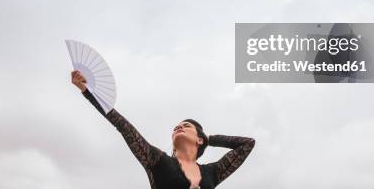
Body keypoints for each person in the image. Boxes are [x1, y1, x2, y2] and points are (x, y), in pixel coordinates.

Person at [71, 70, 255, 189]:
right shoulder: (157, 160)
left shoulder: (213, 172)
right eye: (176, 127)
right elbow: (123, 126)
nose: (178, 127)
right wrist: (87, 91)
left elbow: (247, 144)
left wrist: (210, 139)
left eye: (186, 126)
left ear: (199, 139)